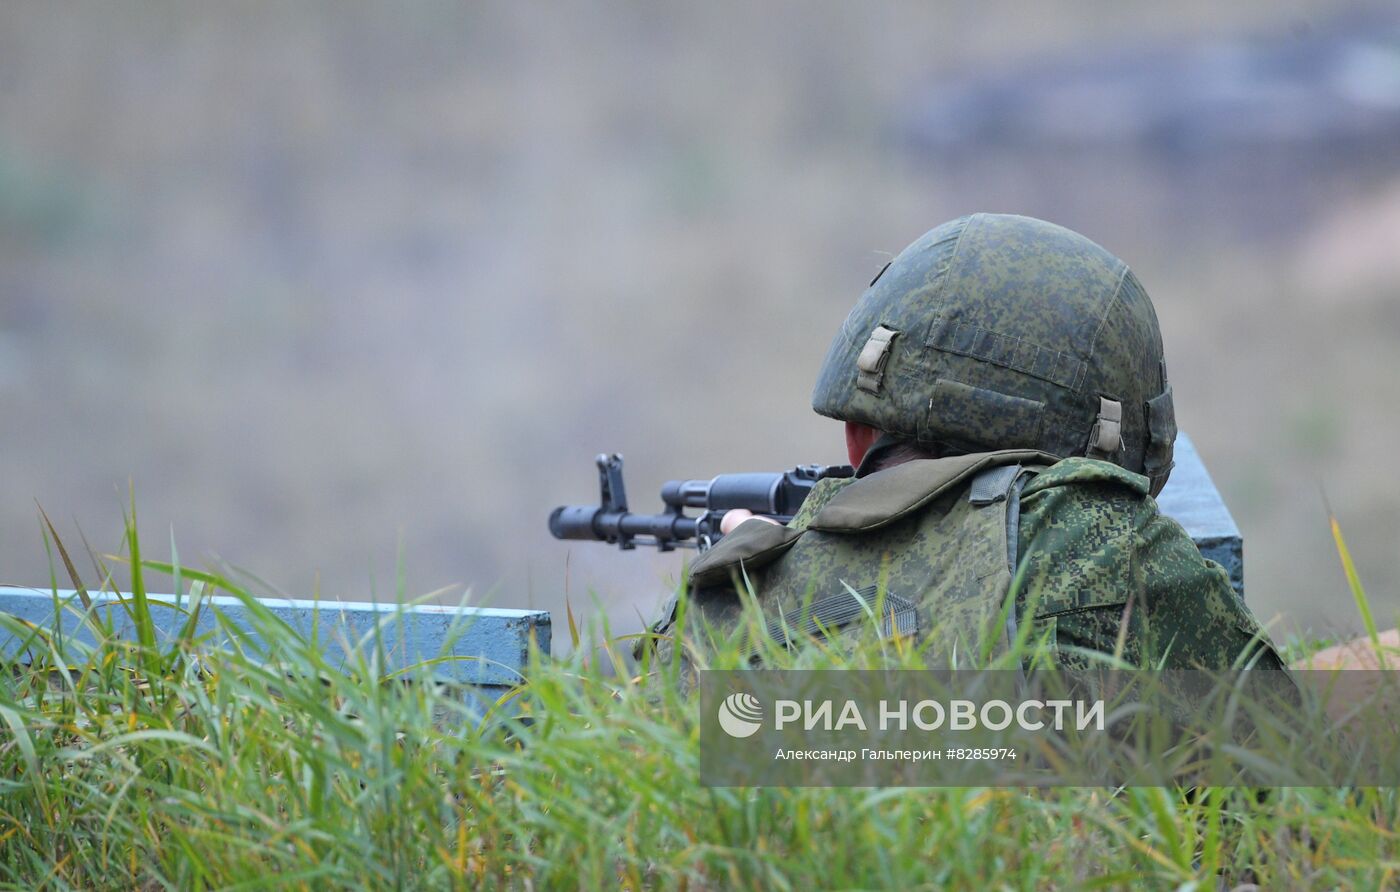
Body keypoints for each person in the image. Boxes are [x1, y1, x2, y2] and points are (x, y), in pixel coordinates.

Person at [652, 213, 1286, 671]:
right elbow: (1282, 779)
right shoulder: (1100, 545)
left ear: (857, 437)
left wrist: (770, 571)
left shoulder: (721, 607)